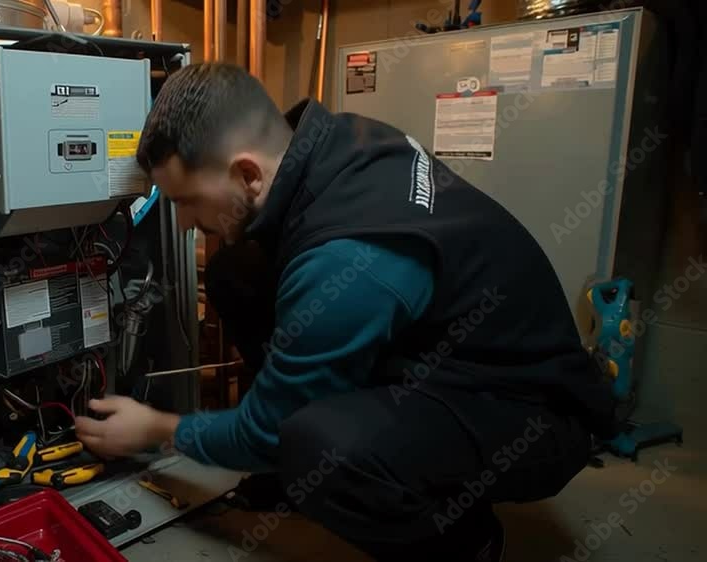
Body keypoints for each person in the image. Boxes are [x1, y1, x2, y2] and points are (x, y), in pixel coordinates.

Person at [76, 63, 617, 562]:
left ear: (248, 176)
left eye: (186, 201)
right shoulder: (335, 141)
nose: (185, 223)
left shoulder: (346, 261)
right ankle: (298, 465)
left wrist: (158, 428)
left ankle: (465, 542)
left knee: (312, 445)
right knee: (233, 272)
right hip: (456, 351)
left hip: (534, 412)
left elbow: (266, 431)